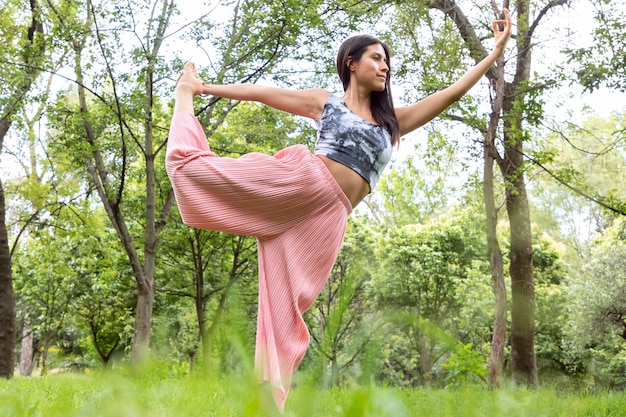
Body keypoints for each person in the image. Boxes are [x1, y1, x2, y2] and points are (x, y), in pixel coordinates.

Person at [166, 9, 511, 412]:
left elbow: (449, 94)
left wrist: (494, 53)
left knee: (286, 304)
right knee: (196, 171)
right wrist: (203, 88)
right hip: (302, 182)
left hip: (329, 218)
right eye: (376, 58)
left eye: (386, 61)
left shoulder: (392, 123)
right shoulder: (325, 103)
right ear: (352, 63)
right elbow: (261, 93)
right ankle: (183, 97)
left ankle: (267, 401)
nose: (384, 67)